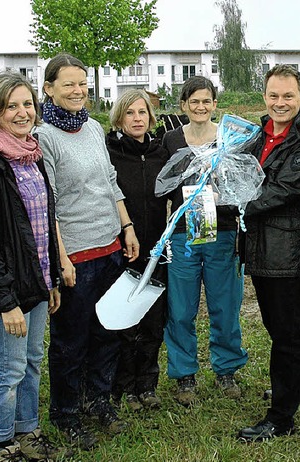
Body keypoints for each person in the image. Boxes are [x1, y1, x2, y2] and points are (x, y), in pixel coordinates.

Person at [36, 53, 140, 449]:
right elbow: (50, 203)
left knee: (107, 331)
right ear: (49, 88)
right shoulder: (43, 137)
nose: (79, 91)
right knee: (71, 340)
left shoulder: (94, 128)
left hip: (111, 246)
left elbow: (110, 183)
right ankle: (66, 413)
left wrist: (126, 226)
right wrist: (61, 258)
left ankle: (99, 400)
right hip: (76, 256)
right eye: (69, 84)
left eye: (83, 83)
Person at [0, 71, 64, 462]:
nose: (22, 112)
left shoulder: (30, 154)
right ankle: (1, 443)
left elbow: (42, 224)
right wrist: (5, 302)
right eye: (11, 106)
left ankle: (27, 427)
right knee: (7, 367)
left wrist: (50, 278)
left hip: (34, 280)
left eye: (27, 104)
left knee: (32, 360)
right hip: (8, 288)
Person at [238, 64, 300, 442]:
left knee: (285, 332)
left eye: (288, 96)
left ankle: (281, 417)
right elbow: (240, 171)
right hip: (258, 245)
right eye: (274, 95)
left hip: (286, 249)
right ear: (265, 98)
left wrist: (234, 202)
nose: (280, 103)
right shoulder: (257, 136)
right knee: (280, 325)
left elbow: (283, 191)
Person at [162, 76, 248, 406]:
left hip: (223, 230)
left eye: (207, 101)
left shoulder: (228, 138)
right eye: (194, 101)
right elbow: (165, 183)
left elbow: (240, 180)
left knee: (224, 304)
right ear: (184, 105)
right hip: (184, 232)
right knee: (181, 307)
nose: (200, 107)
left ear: (215, 104)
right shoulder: (171, 139)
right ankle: (184, 374)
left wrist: (219, 191)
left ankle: (226, 368)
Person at [106, 89, 169, 411]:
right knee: (125, 319)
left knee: (153, 319)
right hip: (123, 247)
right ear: (119, 117)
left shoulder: (160, 153)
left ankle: (147, 383)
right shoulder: (110, 152)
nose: (137, 119)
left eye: (142, 112)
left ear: (150, 117)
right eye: (130, 113)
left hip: (158, 248)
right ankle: (124, 385)